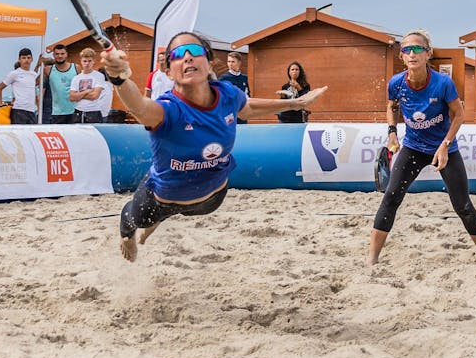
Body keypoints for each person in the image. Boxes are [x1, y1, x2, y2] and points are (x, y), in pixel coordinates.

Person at [99, 31, 328, 262]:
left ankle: (162, 219)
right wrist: (119, 78)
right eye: (178, 54)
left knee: (187, 207)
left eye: (195, 51)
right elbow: (139, 106)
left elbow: (247, 108)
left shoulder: (227, 94)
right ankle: (128, 236)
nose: (188, 57)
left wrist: (297, 102)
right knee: (134, 218)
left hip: (211, 199)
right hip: (160, 201)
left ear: (209, 63)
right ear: (168, 71)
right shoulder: (169, 109)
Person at [368, 29, 476, 266]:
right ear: (402, 57)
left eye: (417, 49)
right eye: (406, 50)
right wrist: (392, 132)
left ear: (428, 54)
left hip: (445, 148)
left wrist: (445, 145)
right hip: (413, 147)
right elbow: (391, 107)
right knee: (391, 198)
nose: (411, 53)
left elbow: (459, 115)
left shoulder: (442, 83)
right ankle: (372, 260)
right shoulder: (396, 83)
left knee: (462, 205)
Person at [0, 47, 39, 125]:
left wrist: (38, 107)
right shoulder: (14, 74)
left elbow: (35, 92)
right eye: (23, 58)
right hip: (18, 110)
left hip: (31, 110)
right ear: (19, 59)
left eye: (28, 58)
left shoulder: (34, 75)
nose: (26, 60)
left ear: (32, 59)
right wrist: (0, 105)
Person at [42, 44, 79, 124]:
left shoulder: (76, 68)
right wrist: (38, 65)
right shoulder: (48, 70)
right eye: (57, 54)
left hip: (74, 111)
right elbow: (35, 83)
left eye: (62, 54)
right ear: (53, 55)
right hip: (56, 112)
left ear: (66, 54)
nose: (60, 56)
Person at [69, 47, 107, 124]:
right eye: (85, 61)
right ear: (81, 61)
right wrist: (87, 91)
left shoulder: (99, 76)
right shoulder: (76, 78)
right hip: (78, 112)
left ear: (93, 61)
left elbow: (95, 96)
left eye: (89, 61)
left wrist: (79, 95)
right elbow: (72, 97)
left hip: (94, 111)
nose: (87, 63)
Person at [219, 51, 250, 124]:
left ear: (239, 63)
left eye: (233, 62)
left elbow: (247, 94)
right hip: (229, 114)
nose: (230, 64)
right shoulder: (224, 78)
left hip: (242, 113)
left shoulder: (244, 78)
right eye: (228, 61)